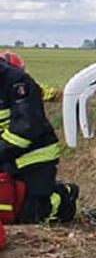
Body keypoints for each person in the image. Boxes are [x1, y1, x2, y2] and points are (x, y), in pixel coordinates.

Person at [0, 51, 75, 223]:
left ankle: (64, 196)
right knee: (5, 206)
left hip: (34, 156)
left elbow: (26, 128)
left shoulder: (17, 82)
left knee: (28, 214)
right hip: (5, 154)